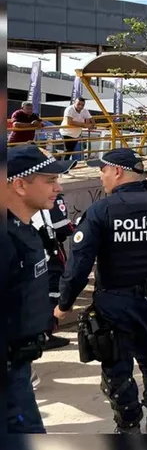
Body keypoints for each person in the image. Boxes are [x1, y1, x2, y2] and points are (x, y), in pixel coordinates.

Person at [55, 148, 147, 434]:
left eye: (103, 170)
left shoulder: (100, 211)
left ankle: (129, 427)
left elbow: (79, 265)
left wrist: (64, 304)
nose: (101, 176)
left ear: (117, 171)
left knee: (117, 370)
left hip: (113, 306)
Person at [6, 145, 76, 434]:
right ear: (20, 184)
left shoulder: (23, 230)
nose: (58, 188)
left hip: (18, 367)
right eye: (50, 180)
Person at [31, 191, 76, 350]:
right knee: (53, 290)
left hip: (37, 250)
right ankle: (46, 333)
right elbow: (61, 226)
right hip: (50, 252)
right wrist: (78, 227)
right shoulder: (52, 197)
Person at [59, 97, 94, 161]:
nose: (80, 106)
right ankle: (63, 167)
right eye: (78, 104)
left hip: (76, 134)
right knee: (68, 151)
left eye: (82, 105)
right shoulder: (69, 109)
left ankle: (65, 165)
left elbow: (91, 120)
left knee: (70, 151)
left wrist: (91, 124)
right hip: (66, 132)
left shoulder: (85, 110)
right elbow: (69, 122)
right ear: (74, 103)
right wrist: (84, 125)